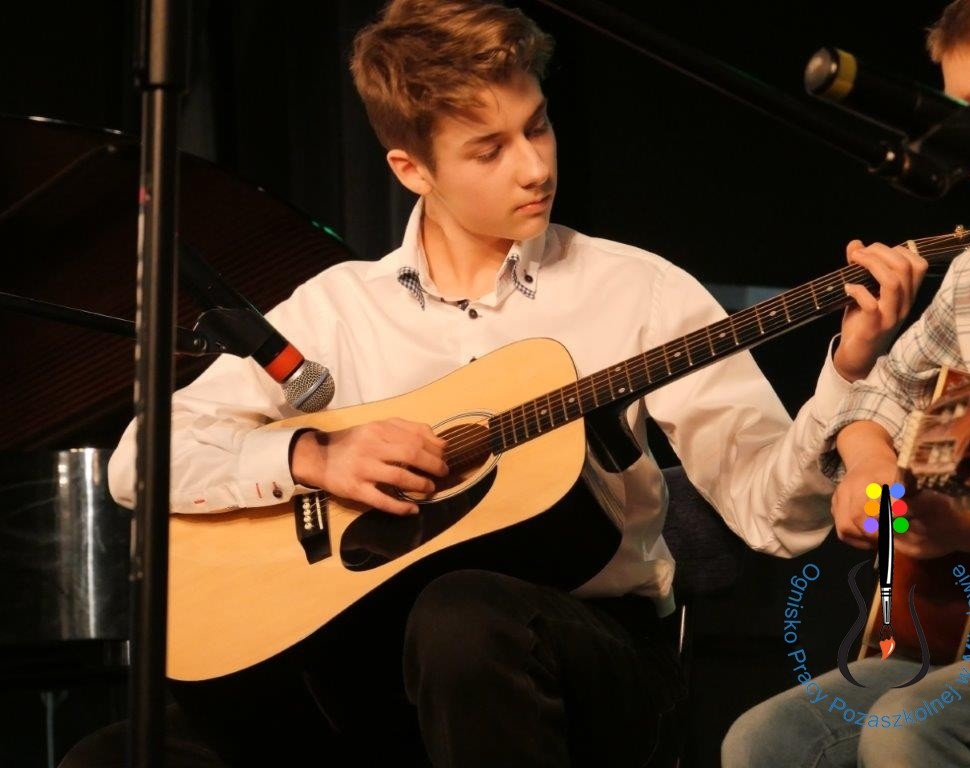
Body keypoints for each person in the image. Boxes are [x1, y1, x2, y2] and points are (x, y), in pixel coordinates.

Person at [65, 1, 922, 765]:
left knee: (462, 617)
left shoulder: (640, 291)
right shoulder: (337, 310)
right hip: (374, 676)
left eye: (537, 127)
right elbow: (141, 461)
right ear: (411, 169)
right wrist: (313, 455)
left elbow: (776, 517)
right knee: (113, 754)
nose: (534, 167)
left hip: (593, 665)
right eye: (490, 149)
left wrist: (848, 369)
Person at [722, 1, 970, 765]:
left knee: (909, 730)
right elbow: (879, 396)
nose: (953, 138)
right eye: (949, 112)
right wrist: (868, 467)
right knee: (765, 743)